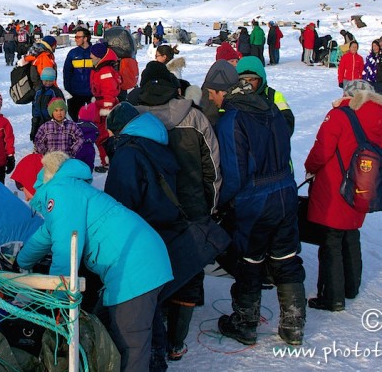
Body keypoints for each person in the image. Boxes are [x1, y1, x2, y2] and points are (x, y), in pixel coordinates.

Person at [17, 151, 173, 371]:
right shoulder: (68, 190)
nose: (24, 196)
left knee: (129, 341)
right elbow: (45, 235)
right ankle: (156, 363)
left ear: (35, 181)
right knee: (108, 323)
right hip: (145, 257)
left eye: (22, 186)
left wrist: (58, 302)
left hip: (134, 266)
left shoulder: (59, 192)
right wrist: (20, 260)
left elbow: (64, 250)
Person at [204, 60, 306, 346]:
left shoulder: (232, 119)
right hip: (285, 191)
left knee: (250, 261)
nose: (211, 98)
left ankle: (246, 324)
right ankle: (293, 327)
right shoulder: (270, 108)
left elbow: (234, 174)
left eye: (212, 93)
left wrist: (218, 203)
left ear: (223, 91)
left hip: (255, 199)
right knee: (286, 259)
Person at [129, 61, 222, 360]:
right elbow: (212, 167)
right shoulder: (193, 117)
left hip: (148, 211)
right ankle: (176, 342)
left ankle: (154, 333)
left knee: (150, 271)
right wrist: (210, 204)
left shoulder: (132, 118)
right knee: (190, 273)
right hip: (191, 207)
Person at [305, 80, 382, 311]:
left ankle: (332, 297)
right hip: (363, 185)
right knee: (351, 233)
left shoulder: (340, 115)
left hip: (335, 186)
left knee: (331, 239)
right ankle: (351, 286)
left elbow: (322, 150)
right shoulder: (379, 117)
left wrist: (310, 167)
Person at [236, 55, 295, 136]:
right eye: (243, 80)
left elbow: (288, 125)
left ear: (260, 80)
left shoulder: (273, 96)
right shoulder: (233, 97)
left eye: (252, 79)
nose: (247, 84)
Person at [89, 42, 122, 172]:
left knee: (104, 137)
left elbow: (110, 93)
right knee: (101, 136)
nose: (90, 56)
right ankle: (107, 161)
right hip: (100, 106)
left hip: (104, 108)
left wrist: (106, 111)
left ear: (99, 56)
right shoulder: (100, 69)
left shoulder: (105, 71)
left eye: (93, 54)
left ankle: (108, 162)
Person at [62, 27, 93, 121]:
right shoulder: (72, 53)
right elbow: (67, 73)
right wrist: (68, 91)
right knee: (74, 120)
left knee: (93, 120)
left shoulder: (94, 52)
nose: (75, 39)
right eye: (75, 37)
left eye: (78, 37)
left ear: (85, 38)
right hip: (75, 94)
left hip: (91, 94)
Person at [30, 67, 65, 141]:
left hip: (52, 120)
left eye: (50, 81)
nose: (48, 83)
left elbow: (61, 106)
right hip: (40, 120)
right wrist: (34, 124)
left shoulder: (55, 91)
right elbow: (35, 106)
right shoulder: (38, 91)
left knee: (51, 139)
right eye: (46, 80)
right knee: (40, 138)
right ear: (42, 79)